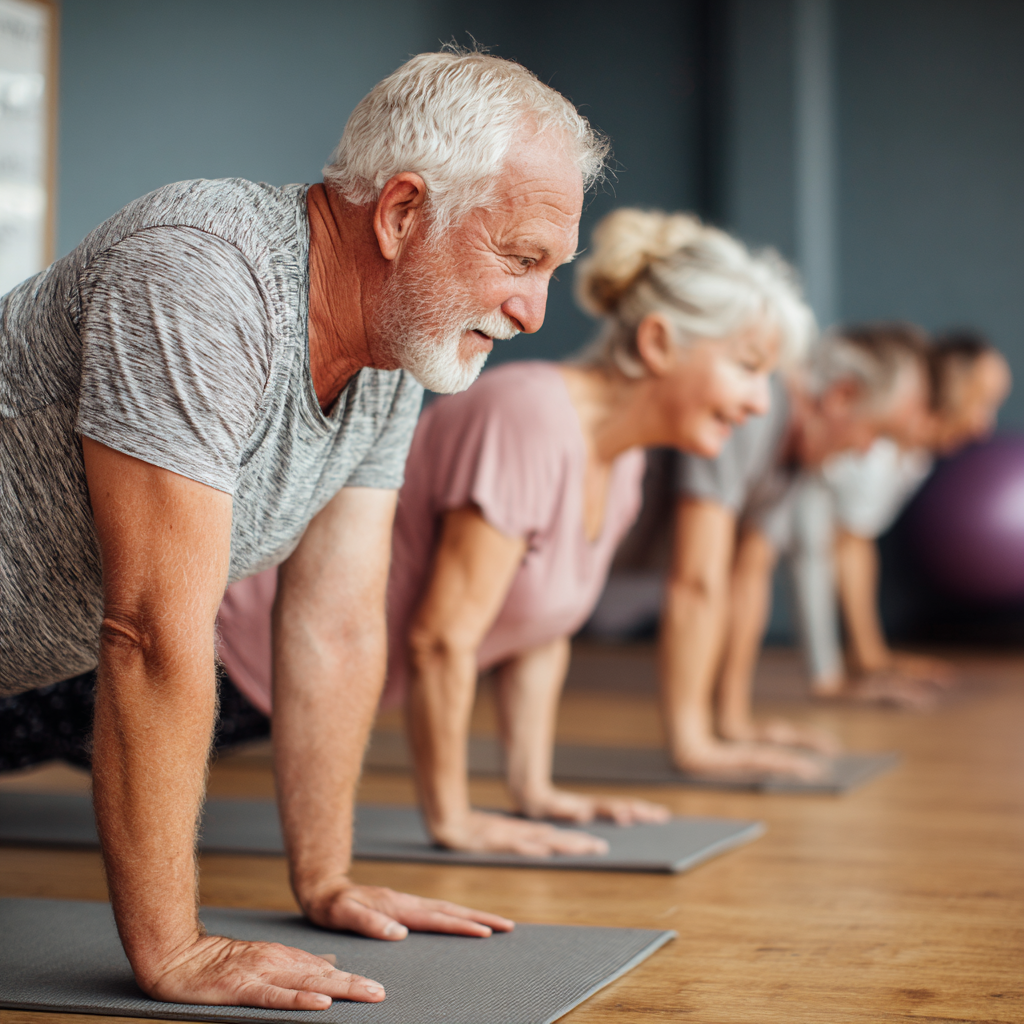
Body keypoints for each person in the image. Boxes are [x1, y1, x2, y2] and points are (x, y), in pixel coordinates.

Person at [0, 49, 607, 1009]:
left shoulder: (396, 356)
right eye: (520, 259)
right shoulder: (203, 275)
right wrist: (175, 951)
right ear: (404, 214)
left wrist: (325, 879)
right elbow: (153, 632)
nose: (535, 311)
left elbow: (335, 618)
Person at [218, 208, 816, 856]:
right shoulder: (526, 416)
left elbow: (541, 629)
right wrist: (453, 818)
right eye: (748, 366)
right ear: (658, 343)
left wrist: (534, 790)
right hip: (219, 659)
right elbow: (441, 642)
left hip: (278, 699)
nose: (760, 403)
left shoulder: (623, 462)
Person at [664, 323, 934, 777]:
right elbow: (695, 582)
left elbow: (747, 578)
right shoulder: (757, 409)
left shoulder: (800, 450)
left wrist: (734, 722)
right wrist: (693, 747)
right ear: (842, 397)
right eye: (874, 432)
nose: (867, 452)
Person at [790, 330, 1012, 706]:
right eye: (981, 402)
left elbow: (857, 539)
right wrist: (855, 668)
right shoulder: (883, 441)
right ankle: (832, 675)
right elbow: (844, 544)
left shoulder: (916, 451)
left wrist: (874, 660)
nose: (984, 426)